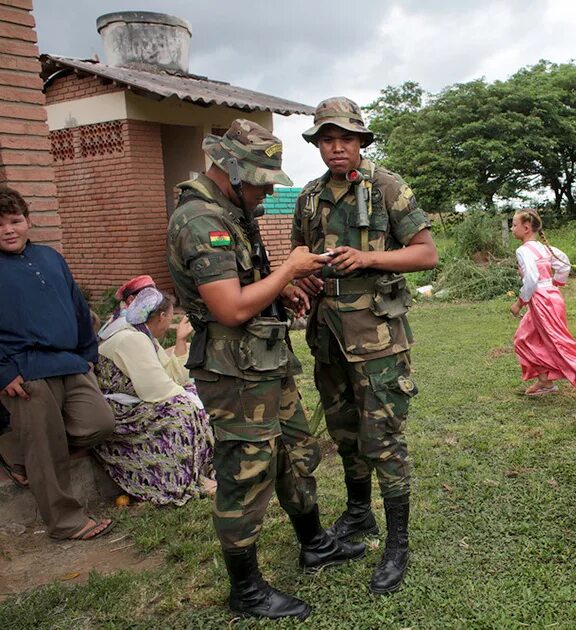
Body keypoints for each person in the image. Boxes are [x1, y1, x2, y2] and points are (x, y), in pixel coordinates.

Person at [167, 119, 363, 621]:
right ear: (230, 170)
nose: (263, 193)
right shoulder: (199, 220)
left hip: (267, 361)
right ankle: (247, 590)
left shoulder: (233, 211)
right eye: (259, 182)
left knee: (297, 452)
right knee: (246, 473)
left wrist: (282, 289)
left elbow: (248, 283)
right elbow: (229, 309)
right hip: (233, 373)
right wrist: (288, 273)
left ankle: (314, 543)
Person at [291, 96, 438, 595]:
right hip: (326, 336)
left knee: (384, 439)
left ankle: (398, 543)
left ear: (360, 142)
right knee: (345, 431)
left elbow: (426, 254)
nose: (337, 148)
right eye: (328, 139)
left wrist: (369, 259)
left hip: (376, 340)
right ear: (318, 144)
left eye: (346, 139)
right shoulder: (309, 196)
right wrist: (302, 281)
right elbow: (299, 258)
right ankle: (359, 516)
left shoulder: (387, 187)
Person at [0, 185, 116, 540]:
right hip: (25, 368)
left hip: (69, 361)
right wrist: (3, 371)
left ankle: (16, 447)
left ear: (28, 222)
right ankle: (65, 522)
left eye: (15, 220)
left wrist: (87, 354)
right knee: (44, 442)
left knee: (100, 423)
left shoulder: (51, 258)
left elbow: (79, 308)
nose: (8, 229)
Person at [95, 287, 215, 505]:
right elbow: (155, 390)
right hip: (122, 413)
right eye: (170, 316)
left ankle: (203, 470)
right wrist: (188, 398)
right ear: (161, 316)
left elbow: (173, 376)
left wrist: (180, 341)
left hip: (138, 401)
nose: (170, 321)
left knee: (201, 395)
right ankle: (181, 480)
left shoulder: (143, 335)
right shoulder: (131, 339)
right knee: (182, 410)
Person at [510, 209, 576, 408]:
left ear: (526, 227)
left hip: (541, 301)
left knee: (560, 344)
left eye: (514, 225)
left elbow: (531, 279)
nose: (512, 228)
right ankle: (545, 381)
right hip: (550, 297)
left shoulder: (523, 251)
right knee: (524, 337)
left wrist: (519, 302)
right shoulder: (544, 248)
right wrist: (553, 286)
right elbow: (564, 265)